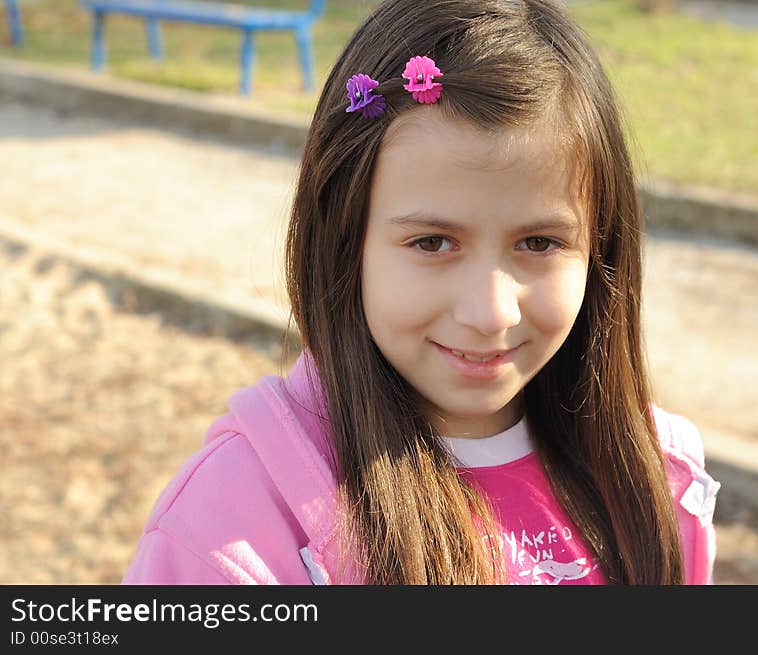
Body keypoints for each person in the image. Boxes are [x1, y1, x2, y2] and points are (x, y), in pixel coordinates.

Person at [122, 0, 720, 586]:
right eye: (433, 243)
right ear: (343, 242)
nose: (490, 313)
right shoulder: (233, 530)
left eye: (539, 243)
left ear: (602, 247)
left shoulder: (657, 482)